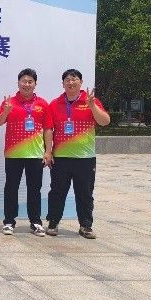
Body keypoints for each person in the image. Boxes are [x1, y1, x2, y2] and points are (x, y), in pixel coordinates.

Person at [46, 70, 110, 239]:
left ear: (81, 82)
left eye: (74, 79)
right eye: (67, 80)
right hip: (61, 157)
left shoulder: (91, 101)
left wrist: (92, 106)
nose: (71, 82)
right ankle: (53, 223)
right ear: (63, 84)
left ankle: (86, 226)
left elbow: (105, 121)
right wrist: (48, 151)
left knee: (85, 193)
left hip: (85, 158)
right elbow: (49, 129)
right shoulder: (55, 104)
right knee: (57, 192)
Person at [0, 68, 53, 236]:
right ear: (18, 83)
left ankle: (35, 222)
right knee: (11, 188)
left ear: (35, 84)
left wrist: (48, 152)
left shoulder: (42, 104)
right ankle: (9, 222)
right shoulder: (9, 102)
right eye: (24, 81)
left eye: (30, 82)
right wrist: (6, 111)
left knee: (34, 189)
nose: (26, 84)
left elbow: (48, 129)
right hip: (13, 154)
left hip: (35, 154)